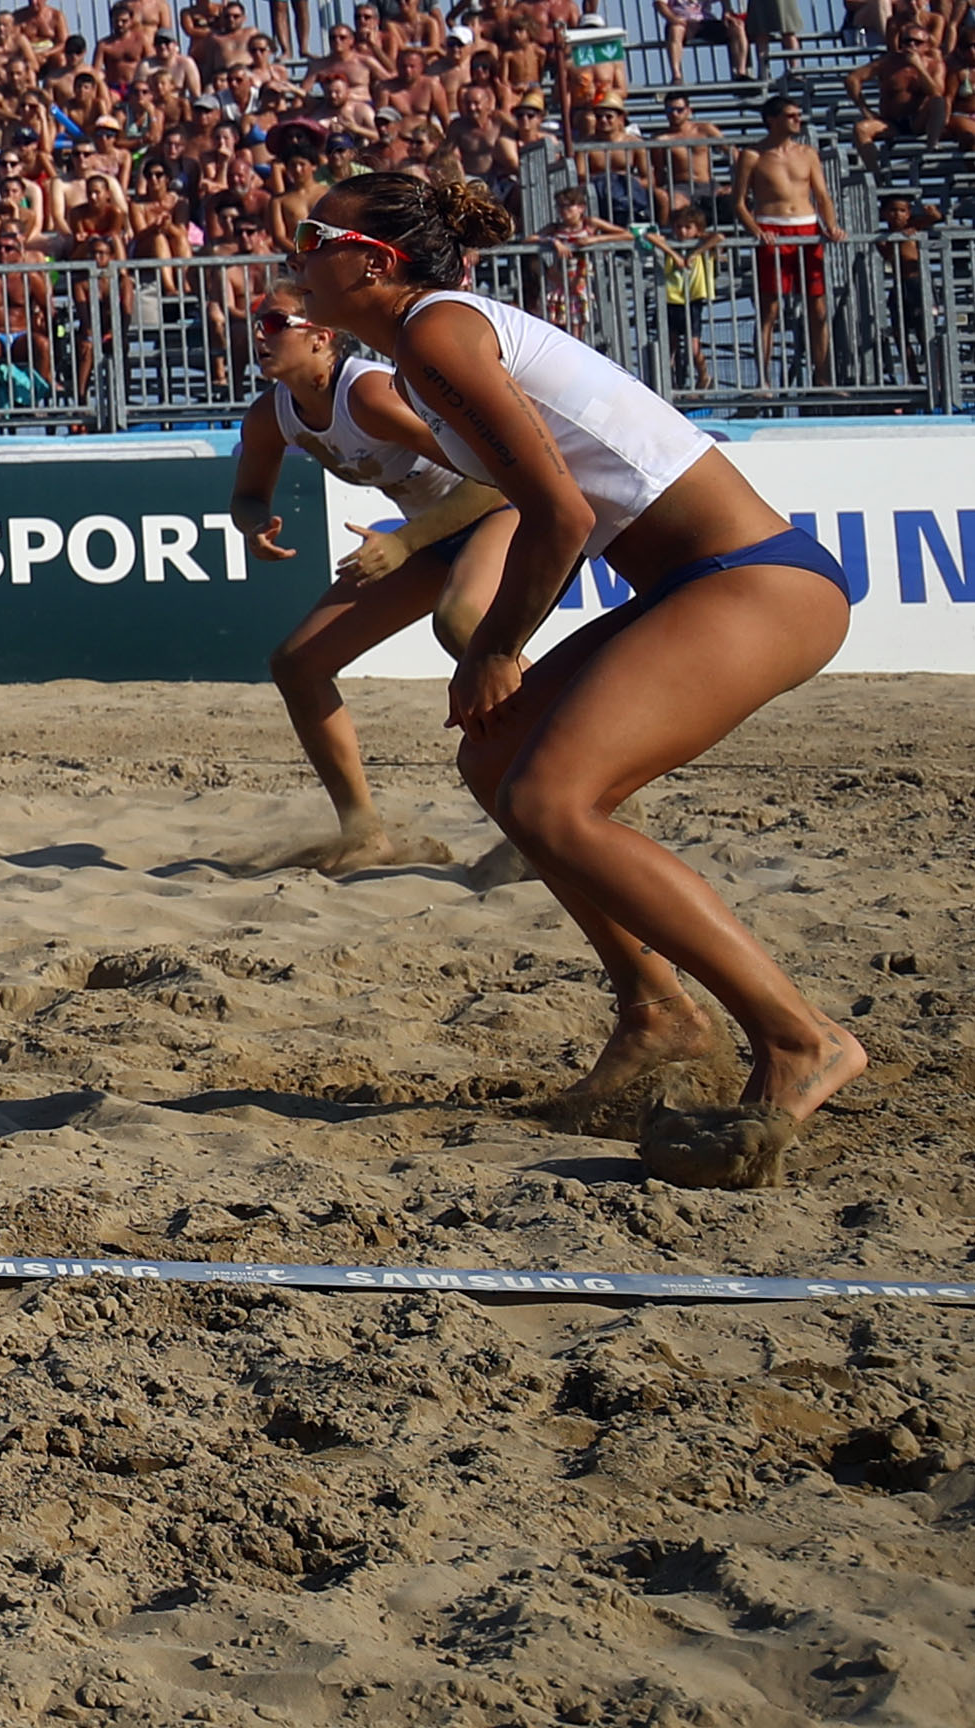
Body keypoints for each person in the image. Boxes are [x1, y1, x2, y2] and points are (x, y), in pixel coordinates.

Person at [289, 163, 862, 1178]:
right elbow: (539, 507)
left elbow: (560, 514)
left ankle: (797, 1038)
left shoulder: (433, 332)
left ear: (372, 262)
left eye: (313, 238)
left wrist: (494, 646)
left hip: (754, 583)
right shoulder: (423, 349)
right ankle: (655, 1012)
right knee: (492, 760)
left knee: (549, 799)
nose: (295, 254)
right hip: (699, 584)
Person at [227, 297, 513, 873]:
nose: (260, 334)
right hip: (432, 531)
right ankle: (363, 832)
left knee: (462, 625)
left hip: (501, 509)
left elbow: (495, 475)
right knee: (298, 664)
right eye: (257, 323)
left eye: (276, 322)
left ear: (322, 338)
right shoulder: (270, 415)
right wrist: (255, 525)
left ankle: (581, 777)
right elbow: (247, 496)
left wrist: (404, 542)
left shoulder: (370, 395)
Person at [739, 95, 841, 381]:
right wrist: (756, 230)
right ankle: (763, 380)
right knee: (769, 309)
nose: (798, 120)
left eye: (798, 114)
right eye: (791, 115)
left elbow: (822, 195)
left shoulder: (807, 153)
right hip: (772, 229)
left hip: (807, 228)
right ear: (773, 120)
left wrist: (831, 226)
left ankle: (823, 377)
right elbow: (738, 202)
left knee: (818, 308)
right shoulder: (753, 155)